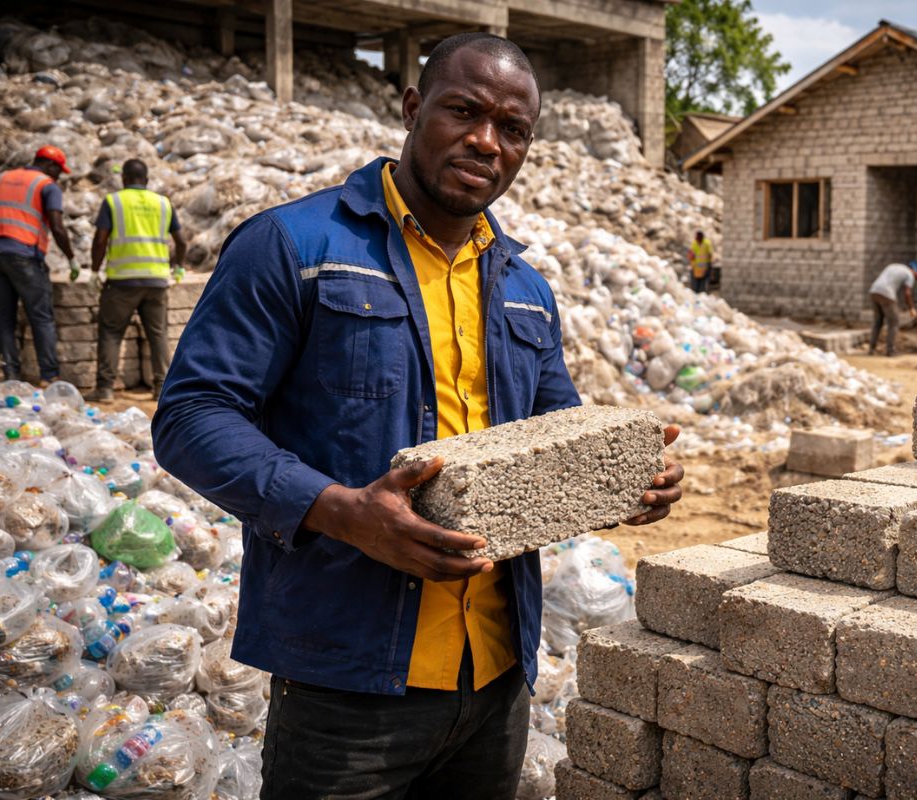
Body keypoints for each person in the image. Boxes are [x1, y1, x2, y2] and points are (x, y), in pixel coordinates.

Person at [151, 33, 683, 800]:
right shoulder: (295, 246)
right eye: (464, 111)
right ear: (411, 108)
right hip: (347, 682)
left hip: (496, 677)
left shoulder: (524, 285)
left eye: (513, 129)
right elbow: (192, 416)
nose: (486, 142)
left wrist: (627, 479)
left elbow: (556, 426)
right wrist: (342, 512)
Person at [86, 159, 187, 401]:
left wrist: (95, 270)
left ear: (124, 179)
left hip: (122, 281)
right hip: (157, 281)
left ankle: (105, 389)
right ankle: (161, 387)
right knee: (158, 334)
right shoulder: (163, 203)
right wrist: (179, 268)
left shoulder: (114, 201)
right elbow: (181, 241)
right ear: (147, 179)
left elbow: (100, 239)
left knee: (111, 332)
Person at [0, 145, 78, 383]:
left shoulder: (2, 179)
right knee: (41, 316)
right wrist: (72, 258)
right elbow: (57, 226)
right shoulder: (47, 185)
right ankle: (49, 376)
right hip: (24, 255)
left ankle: (11, 375)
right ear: (50, 165)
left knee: (4, 318)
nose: (58, 176)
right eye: (58, 170)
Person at [868, 260, 917, 357]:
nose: (916, 276)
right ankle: (890, 350)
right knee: (894, 322)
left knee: (878, 322)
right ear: (914, 270)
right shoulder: (909, 274)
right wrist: (912, 308)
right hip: (886, 294)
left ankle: (871, 348)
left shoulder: (893, 266)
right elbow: (907, 294)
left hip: (873, 291)